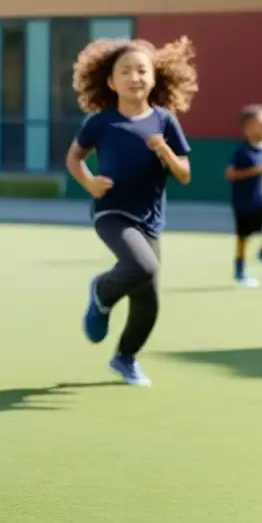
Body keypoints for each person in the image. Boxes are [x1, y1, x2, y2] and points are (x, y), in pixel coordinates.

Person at [66, 37, 198, 387]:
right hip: (112, 211)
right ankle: (102, 292)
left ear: (154, 78)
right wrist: (90, 183)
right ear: (111, 81)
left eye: (142, 70)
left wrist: (166, 152)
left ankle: (125, 358)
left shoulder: (165, 121)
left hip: (151, 219)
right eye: (125, 71)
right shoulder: (101, 122)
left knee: (148, 301)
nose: (134, 77)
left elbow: (184, 174)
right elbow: (74, 158)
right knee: (142, 266)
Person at [226, 104, 262, 286]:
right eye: (260, 124)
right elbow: (230, 174)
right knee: (243, 238)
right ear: (247, 128)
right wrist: (256, 170)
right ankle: (239, 272)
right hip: (244, 202)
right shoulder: (242, 151)